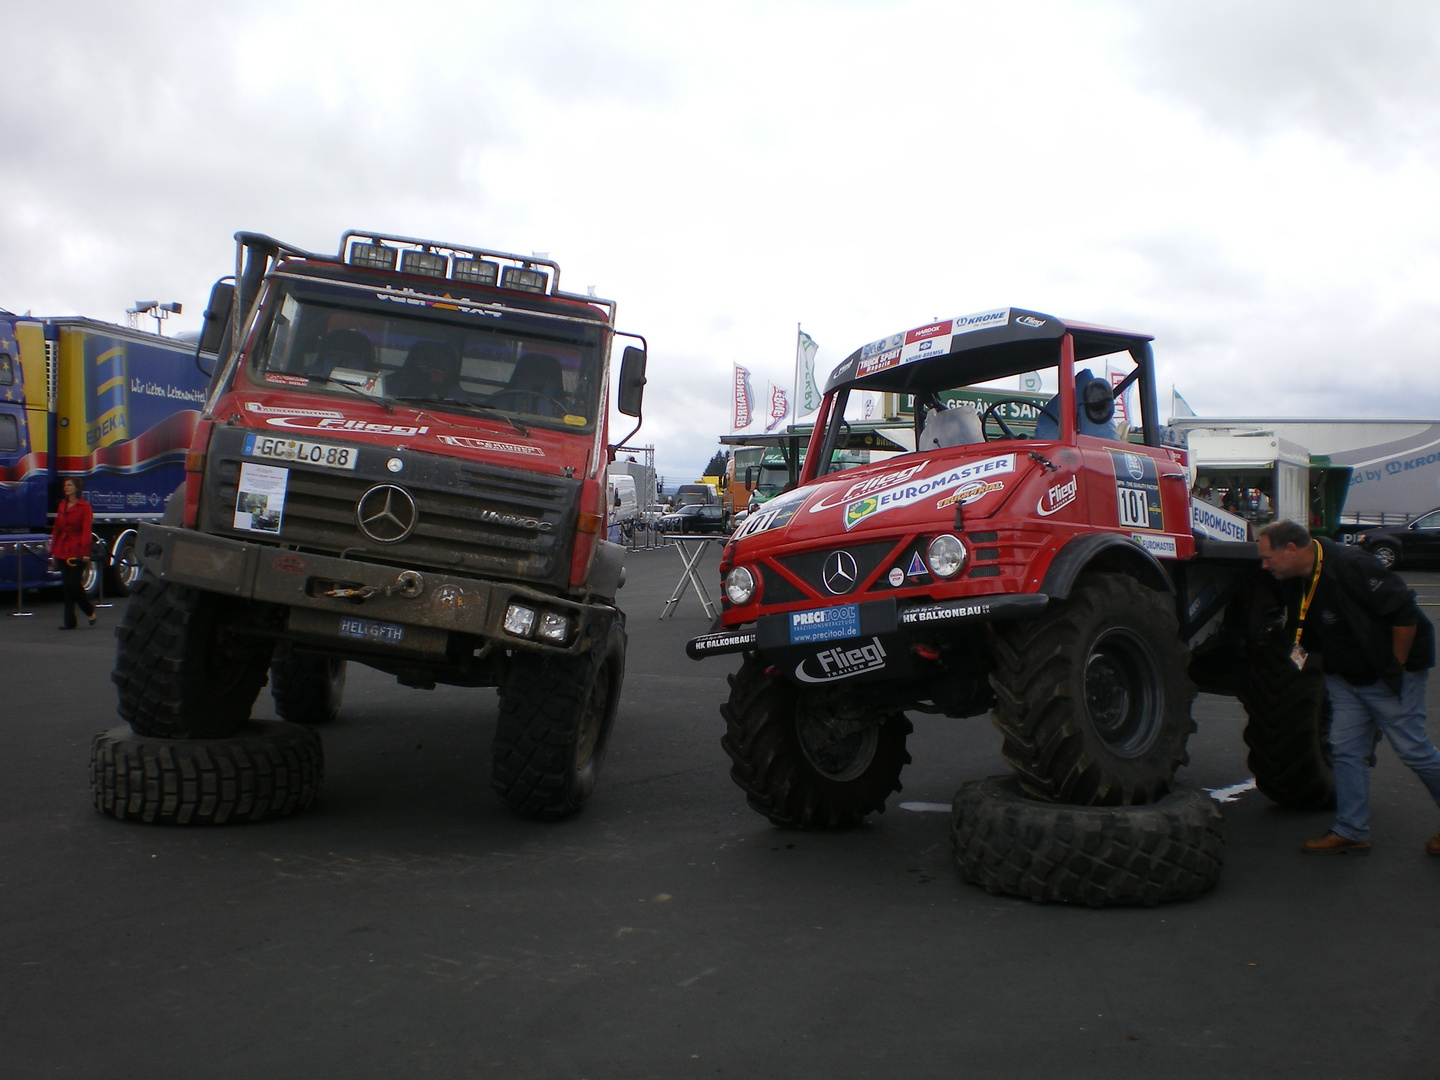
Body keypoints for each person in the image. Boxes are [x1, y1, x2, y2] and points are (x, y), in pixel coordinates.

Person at [1257, 520, 1440, 856]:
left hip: (1386, 674)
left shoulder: (1353, 566)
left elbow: (1405, 613)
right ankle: (1352, 829)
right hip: (1345, 675)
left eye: (1269, 557)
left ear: (1293, 549)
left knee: (1414, 750)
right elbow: (1302, 625)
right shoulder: (1292, 580)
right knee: (1344, 750)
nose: (1264, 565)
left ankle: (1354, 828)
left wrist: (1395, 667)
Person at [50, 477, 97, 630]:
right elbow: (57, 529)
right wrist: (53, 552)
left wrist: (84, 552)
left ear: (77, 487)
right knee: (67, 588)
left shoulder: (85, 507)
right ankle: (70, 622)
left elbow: (86, 531)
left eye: (70, 485)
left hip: (77, 550)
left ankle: (89, 610)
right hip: (62, 549)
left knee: (73, 584)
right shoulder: (62, 505)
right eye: (65, 485)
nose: (67, 488)